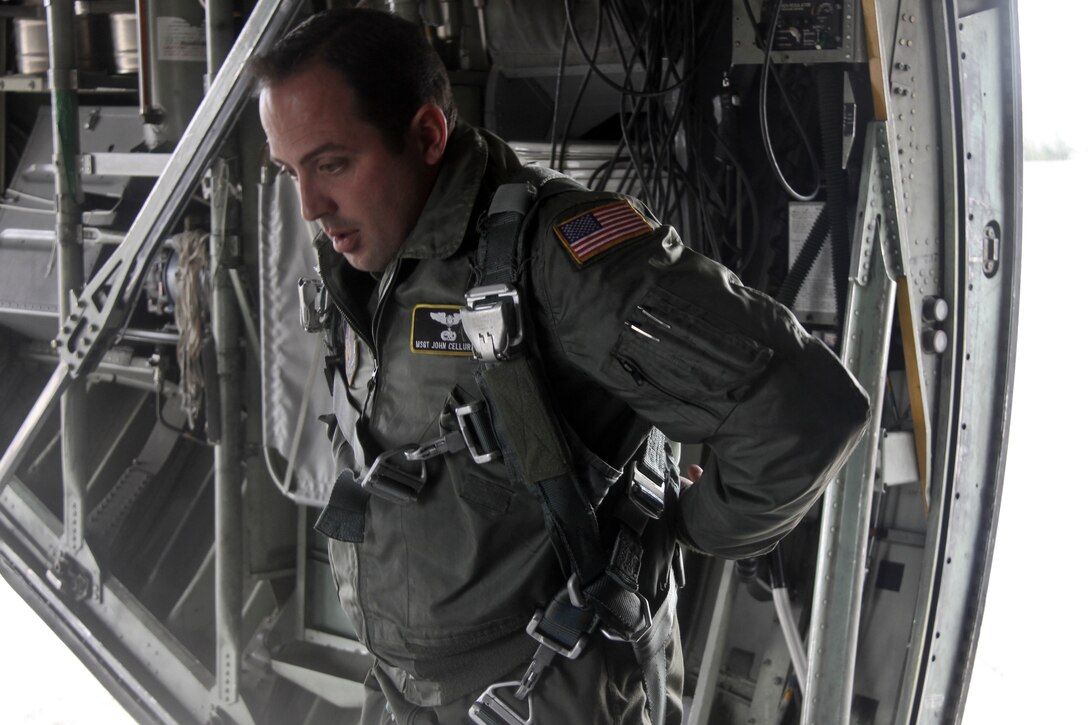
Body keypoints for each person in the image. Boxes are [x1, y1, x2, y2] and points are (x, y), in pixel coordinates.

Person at [253, 8, 869, 724]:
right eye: (288, 171)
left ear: (425, 136)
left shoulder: (558, 260)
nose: (308, 206)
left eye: (332, 164)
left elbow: (804, 412)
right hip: (410, 688)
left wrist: (689, 528)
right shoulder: (371, 260)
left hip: (543, 689)